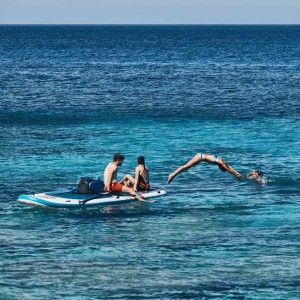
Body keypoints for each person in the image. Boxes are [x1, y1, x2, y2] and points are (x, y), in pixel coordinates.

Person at [168, 152, 243, 184]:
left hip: (200, 157)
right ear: (221, 167)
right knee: (186, 167)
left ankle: (173, 175)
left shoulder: (221, 161)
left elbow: (228, 167)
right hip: (200, 157)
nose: (220, 169)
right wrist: (235, 174)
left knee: (186, 167)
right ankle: (172, 175)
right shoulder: (220, 162)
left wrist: (237, 173)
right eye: (221, 169)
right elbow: (228, 169)